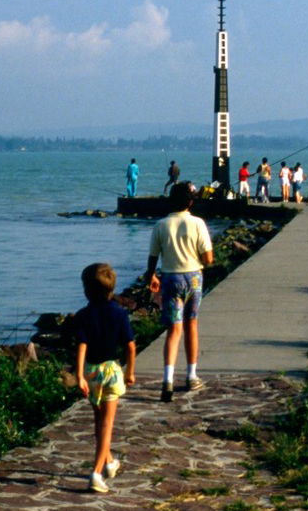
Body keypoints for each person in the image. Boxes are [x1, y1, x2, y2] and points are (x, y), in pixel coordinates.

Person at [146, 182, 214, 402]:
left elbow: (152, 259)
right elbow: (208, 258)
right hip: (193, 277)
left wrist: (151, 277)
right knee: (191, 324)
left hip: (170, 278)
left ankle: (167, 380)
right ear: (191, 201)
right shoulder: (198, 223)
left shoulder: (160, 225)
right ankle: (191, 375)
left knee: (173, 330)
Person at [73, 262, 136, 493]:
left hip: (91, 372)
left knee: (99, 421)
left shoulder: (83, 315)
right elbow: (130, 346)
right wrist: (129, 372)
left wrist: (79, 375)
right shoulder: (119, 314)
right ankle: (96, 472)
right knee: (107, 424)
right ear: (112, 288)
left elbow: (81, 345)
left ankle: (109, 462)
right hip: (111, 371)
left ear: (86, 290)